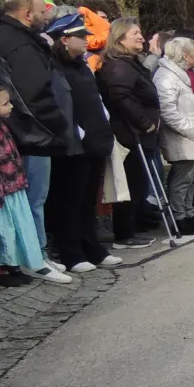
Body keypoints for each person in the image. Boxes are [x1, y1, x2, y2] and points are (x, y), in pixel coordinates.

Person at [0, 82, 73, 285]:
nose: (11, 106)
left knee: (17, 227)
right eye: (5, 103)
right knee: (3, 230)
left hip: (13, 186)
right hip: (0, 192)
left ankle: (16, 264)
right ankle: (4, 267)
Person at [0, 0, 68, 258]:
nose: (47, 15)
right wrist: (58, 124)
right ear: (27, 13)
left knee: (33, 201)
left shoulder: (15, 39)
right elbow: (32, 93)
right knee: (34, 201)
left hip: (27, 132)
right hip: (32, 134)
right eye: (43, 11)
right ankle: (37, 255)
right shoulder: (18, 44)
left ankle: (35, 253)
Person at [42, 14, 121, 273]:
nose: (87, 41)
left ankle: (93, 247)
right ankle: (71, 252)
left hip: (95, 141)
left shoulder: (82, 65)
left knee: (88, 200)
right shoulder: (54, 66)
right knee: (70, 200)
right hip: (74, 145)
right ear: (64, 40)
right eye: (81, 37)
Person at [98, 17, 164, 247]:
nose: (141, 37)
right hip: (130, 133)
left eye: (140, 32)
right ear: (120, 38)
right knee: (132, 183)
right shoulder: (120, 66)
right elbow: (120, 95)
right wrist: (145, 122)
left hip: (138, 132)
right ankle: (124, 233)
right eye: (134, 33)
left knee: (138, 183)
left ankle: (132, 228)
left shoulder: (130, 63)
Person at [152, 35, 194, 236]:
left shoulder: (182, 75)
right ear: (185, 55)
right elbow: (168, 111)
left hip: (193, 135)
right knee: (182, 179)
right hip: (182, 136)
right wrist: (189, 130)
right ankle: (180, 217)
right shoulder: (166, 77)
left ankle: (189, 214)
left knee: (191, 179)